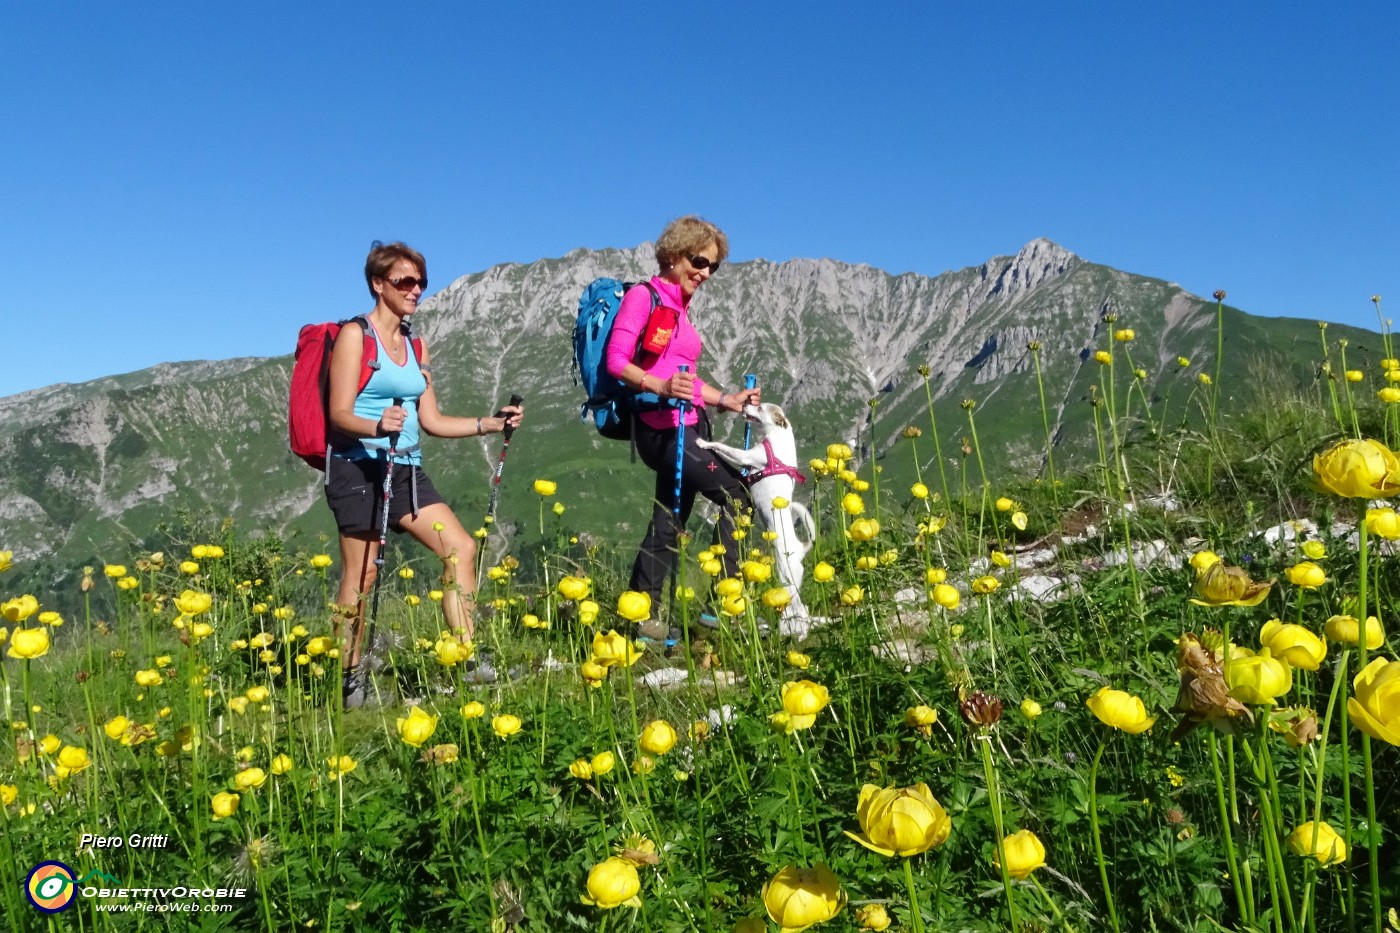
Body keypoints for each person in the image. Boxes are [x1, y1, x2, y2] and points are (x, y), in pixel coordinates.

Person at [326, 241, 523, 706]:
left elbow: (431, 421)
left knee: (460, 548)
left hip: (406, 467)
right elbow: (338, 413)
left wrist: (489, 424)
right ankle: (347, 684)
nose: (415, 290)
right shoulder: (356, 335)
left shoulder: (416, 344)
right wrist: (375, 424)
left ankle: (468, 660)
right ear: (378, 284)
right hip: (358, 467)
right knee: (361, 578)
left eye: (420, 282)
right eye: (404, 282)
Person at [605, 216, 762, 633]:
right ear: (674, 254)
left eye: (713, 266)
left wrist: (726, 400)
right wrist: (660, 385)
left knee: (668, 521)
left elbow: (686, 379)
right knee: (739, 498)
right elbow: (616, 361)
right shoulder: (644, 297)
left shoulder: (679, 310)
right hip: (663, 429)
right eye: (699, 260)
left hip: (689, 427)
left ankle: (640, 619)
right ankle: (720, 610)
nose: (705, 272)